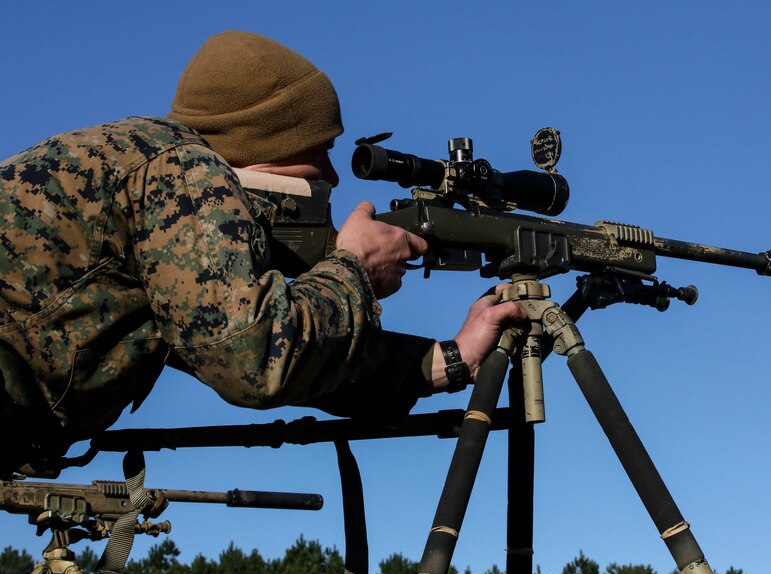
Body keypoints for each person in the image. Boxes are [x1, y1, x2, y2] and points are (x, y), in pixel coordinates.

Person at [0, 30, 523, 475]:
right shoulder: (184, 171)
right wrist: (353, 270)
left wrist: (447, 359)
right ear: (269, 142)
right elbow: (252, 359)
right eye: (320, 152)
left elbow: (250, 346)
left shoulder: (133, 164)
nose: (333, 177)